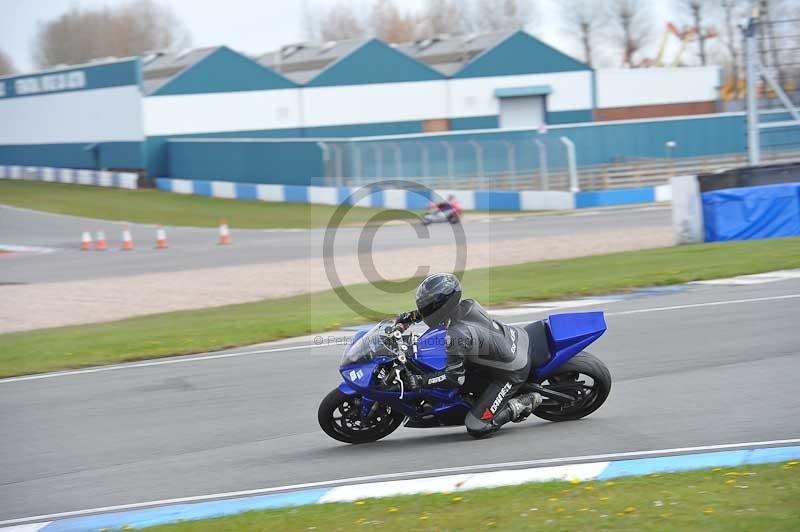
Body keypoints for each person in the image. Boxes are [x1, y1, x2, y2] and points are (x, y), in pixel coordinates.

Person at [394, 272, 542, 438]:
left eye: (426, 307)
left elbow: (455, 378)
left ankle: (522, 403)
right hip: (513, 340)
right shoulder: (466, 305)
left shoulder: (456, 335)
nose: (424, 310)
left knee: (476, 426)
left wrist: (421, 381)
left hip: (512, 370)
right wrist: (413, 317)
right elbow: (438, 311)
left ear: (441, 307)